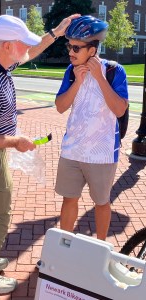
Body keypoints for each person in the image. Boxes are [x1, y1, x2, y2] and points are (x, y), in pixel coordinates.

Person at [0, 14, 79, 294]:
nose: (27, 50)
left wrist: (56, 33)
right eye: (22, 44)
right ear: (8, 45)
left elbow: (28, 53)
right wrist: (16, 141)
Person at [55, 16, 128, 241]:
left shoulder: (114, 71)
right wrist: (77, 82)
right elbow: (60, 107)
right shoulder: (71, 71)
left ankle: (100, 248)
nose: (70, 51)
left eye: (76, 47)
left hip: (102, 152)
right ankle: (62, 248)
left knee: (102, 202)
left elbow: (119, 110)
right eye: (69, 46)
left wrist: (99, 78)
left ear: (93, 49)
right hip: (72, 150)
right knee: (69, 199)